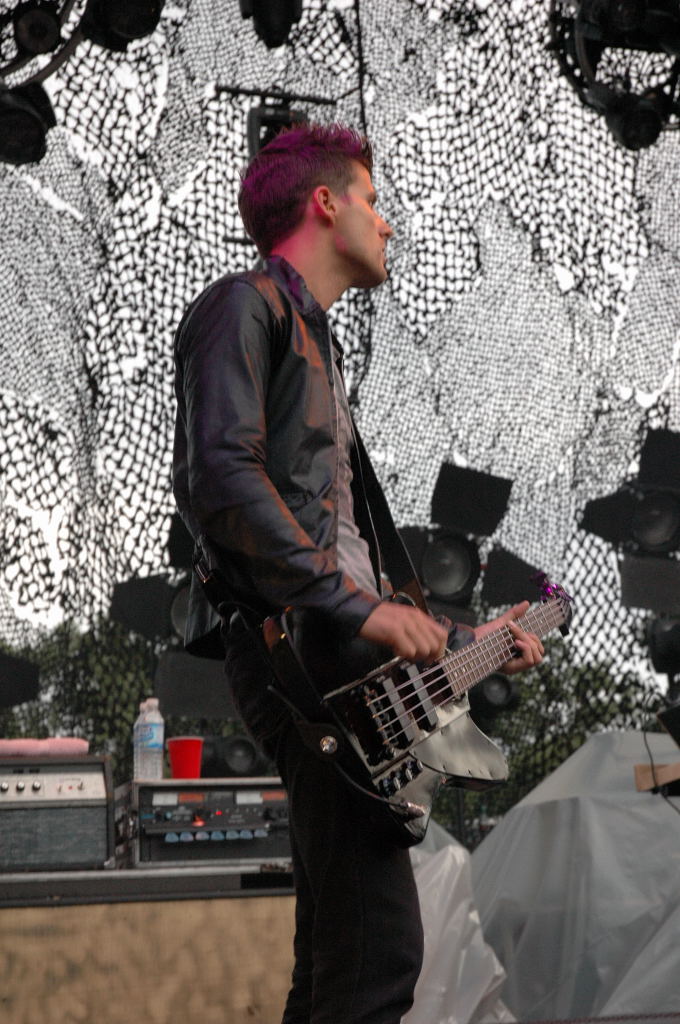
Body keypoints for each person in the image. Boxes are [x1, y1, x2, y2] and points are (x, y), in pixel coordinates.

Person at [172, 122, 543, 1024]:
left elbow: (344, 560)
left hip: (331, 650)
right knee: (378, 958)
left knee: (338, 964)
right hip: (298, 655)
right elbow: (218, 478)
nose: (388, 222)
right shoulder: (243, 306)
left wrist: (467, 639)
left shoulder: (318, 345)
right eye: (372, 200)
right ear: (325, 202)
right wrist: (356, 608)